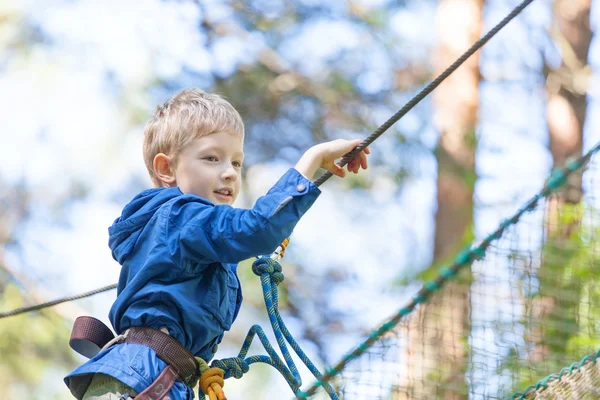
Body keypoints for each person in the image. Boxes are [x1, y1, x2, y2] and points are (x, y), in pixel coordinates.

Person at [64, 88, 370, 399]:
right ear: (166, 168)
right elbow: (257, 229)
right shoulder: (184, 217)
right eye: (212, 158)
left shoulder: (176, 235)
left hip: (159, 376)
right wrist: (312, 158)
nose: (229, 173)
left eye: (236, 163)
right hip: (154, 375)